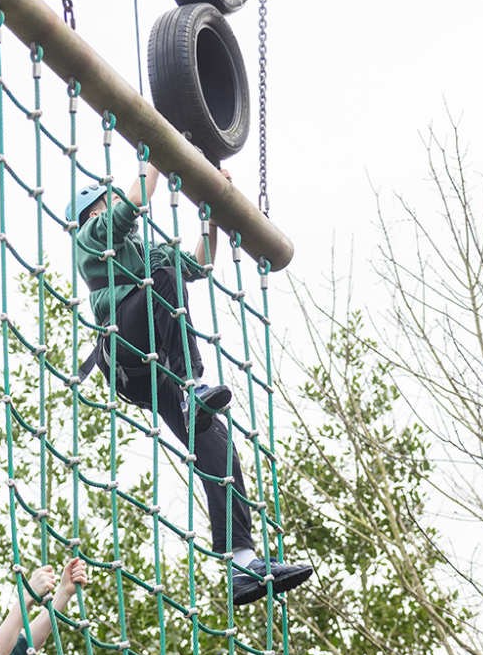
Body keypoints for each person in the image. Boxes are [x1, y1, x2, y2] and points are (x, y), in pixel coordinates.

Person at [70, 164, 312, 606]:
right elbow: (134, 204)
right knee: (160, 282)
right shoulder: (90, 239)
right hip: (124, 352)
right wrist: (153, 158)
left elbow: (198, 264)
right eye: (105, 204)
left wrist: (213, 219)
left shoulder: (144, 253)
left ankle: (242, 562)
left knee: (218, 446)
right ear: (93, 213)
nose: (111, 208)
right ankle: (194, 384)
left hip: (157, 370)